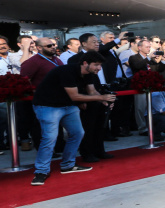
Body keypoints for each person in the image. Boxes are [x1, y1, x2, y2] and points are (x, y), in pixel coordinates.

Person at [31, 51, 116, 186]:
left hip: (68, 106)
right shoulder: (67, 71)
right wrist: (102, 98)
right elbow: (75, 96)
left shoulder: (88, 74)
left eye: (100, 65)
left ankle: (68, 164)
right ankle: (41, 171)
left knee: (78, 133)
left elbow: (92, 91)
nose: (99, 68)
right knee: (50, 137)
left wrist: (104, 101)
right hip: (47, 106)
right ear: (85, 63)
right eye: (96, 65)